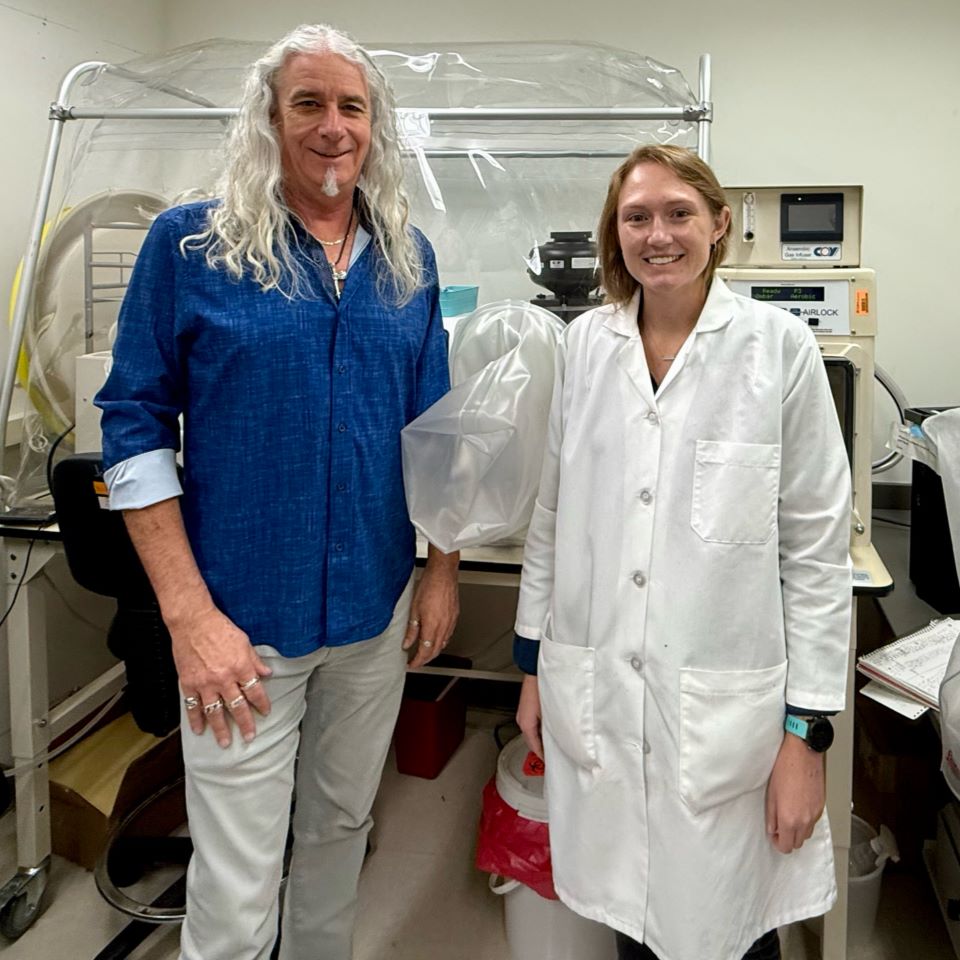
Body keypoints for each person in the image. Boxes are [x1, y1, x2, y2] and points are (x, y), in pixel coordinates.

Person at [95, 24, 459, 960]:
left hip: (373, 618)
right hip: (239, 628)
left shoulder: (405, 263)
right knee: (239, 877)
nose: (333, 126)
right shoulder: (191, 247)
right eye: (309, 103)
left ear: (373, 127)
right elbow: (131, 423)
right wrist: (187, 618)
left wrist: (443, 571)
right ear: (270, 118)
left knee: (341, 831)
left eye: (351, 106)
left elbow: (442, 439)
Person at [513, 144, 851, 960]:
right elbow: (554, 515)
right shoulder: (586, 347)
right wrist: (533, 667)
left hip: (725, 719)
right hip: (601, 685)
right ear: (614, 232)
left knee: (725, 922)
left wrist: (806, 737)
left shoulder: (777, 350)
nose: (657, 235)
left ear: (718, 225)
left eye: (677, 215)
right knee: (634, 916)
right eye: (637, 218)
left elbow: (814, 549)